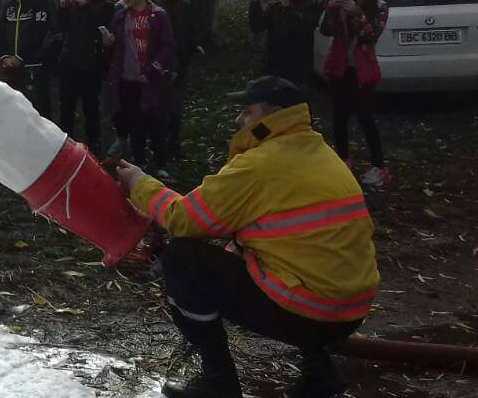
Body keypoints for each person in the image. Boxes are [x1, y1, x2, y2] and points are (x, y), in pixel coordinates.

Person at [115, 76, 378, 398]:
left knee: (182, 260)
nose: (239, 120)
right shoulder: (324, 154)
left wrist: (138, 183)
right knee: (260, 256)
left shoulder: (260, 164)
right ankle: (320, 371)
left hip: (309, 311)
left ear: (274, 114)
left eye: (247, 111)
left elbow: (182, 219)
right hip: (351, 309)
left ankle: (218, 382)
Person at [320, 0, 390, 188]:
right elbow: (326, 30)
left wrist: (357, 13)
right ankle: (343, 161)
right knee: (339, 115)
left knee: (365, 116)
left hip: (364, 69)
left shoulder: (379, 7)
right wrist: (331, 10)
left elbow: (372, 36)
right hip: (339, 67)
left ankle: (379, 168)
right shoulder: (342, 2)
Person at [107, 0, 177, 178]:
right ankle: (139, 162)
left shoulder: (158, 15)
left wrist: (153, 69)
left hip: (152, 79)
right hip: (128, 78)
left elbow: (167, 46)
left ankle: (162, 164)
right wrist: (108, 43)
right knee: (135, 122)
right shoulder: (120, 15)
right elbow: (117, 46)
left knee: (156, 121)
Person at [57, 0, 114, 154]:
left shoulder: (107, 6)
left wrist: (85, 6)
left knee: (91, 106)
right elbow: (63, 28)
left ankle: (94, 144)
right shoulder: (77, 4)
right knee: (66, 105)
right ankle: (64, 144)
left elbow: (98, 28)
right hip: (69, 61)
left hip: (91, 65)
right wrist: (63, 8)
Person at [249, 0, 321, 93]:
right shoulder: (276, 6)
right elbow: (256, 26)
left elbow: (301, 30)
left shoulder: (312, 6)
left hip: (298, 74)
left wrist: (287, 5)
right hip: (273, 70)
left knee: (296, 110)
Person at [0, 0, 52, 117]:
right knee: (11, 105)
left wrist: (20, 57)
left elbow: (38, 34)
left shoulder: (40, 2)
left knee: (36, 105)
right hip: (10, 65)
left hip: (32, 64)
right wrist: (4, 56)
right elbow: (0, 31)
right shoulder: (8, 2)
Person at [160, 0, 202, 161]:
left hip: (181, 66)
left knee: (175, 109)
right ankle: (164, 148)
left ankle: (173, 147)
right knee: (166, 109)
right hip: (165, 67)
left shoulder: (185, 8)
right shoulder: (160, 10)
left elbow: (189, 31)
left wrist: (195, 45)